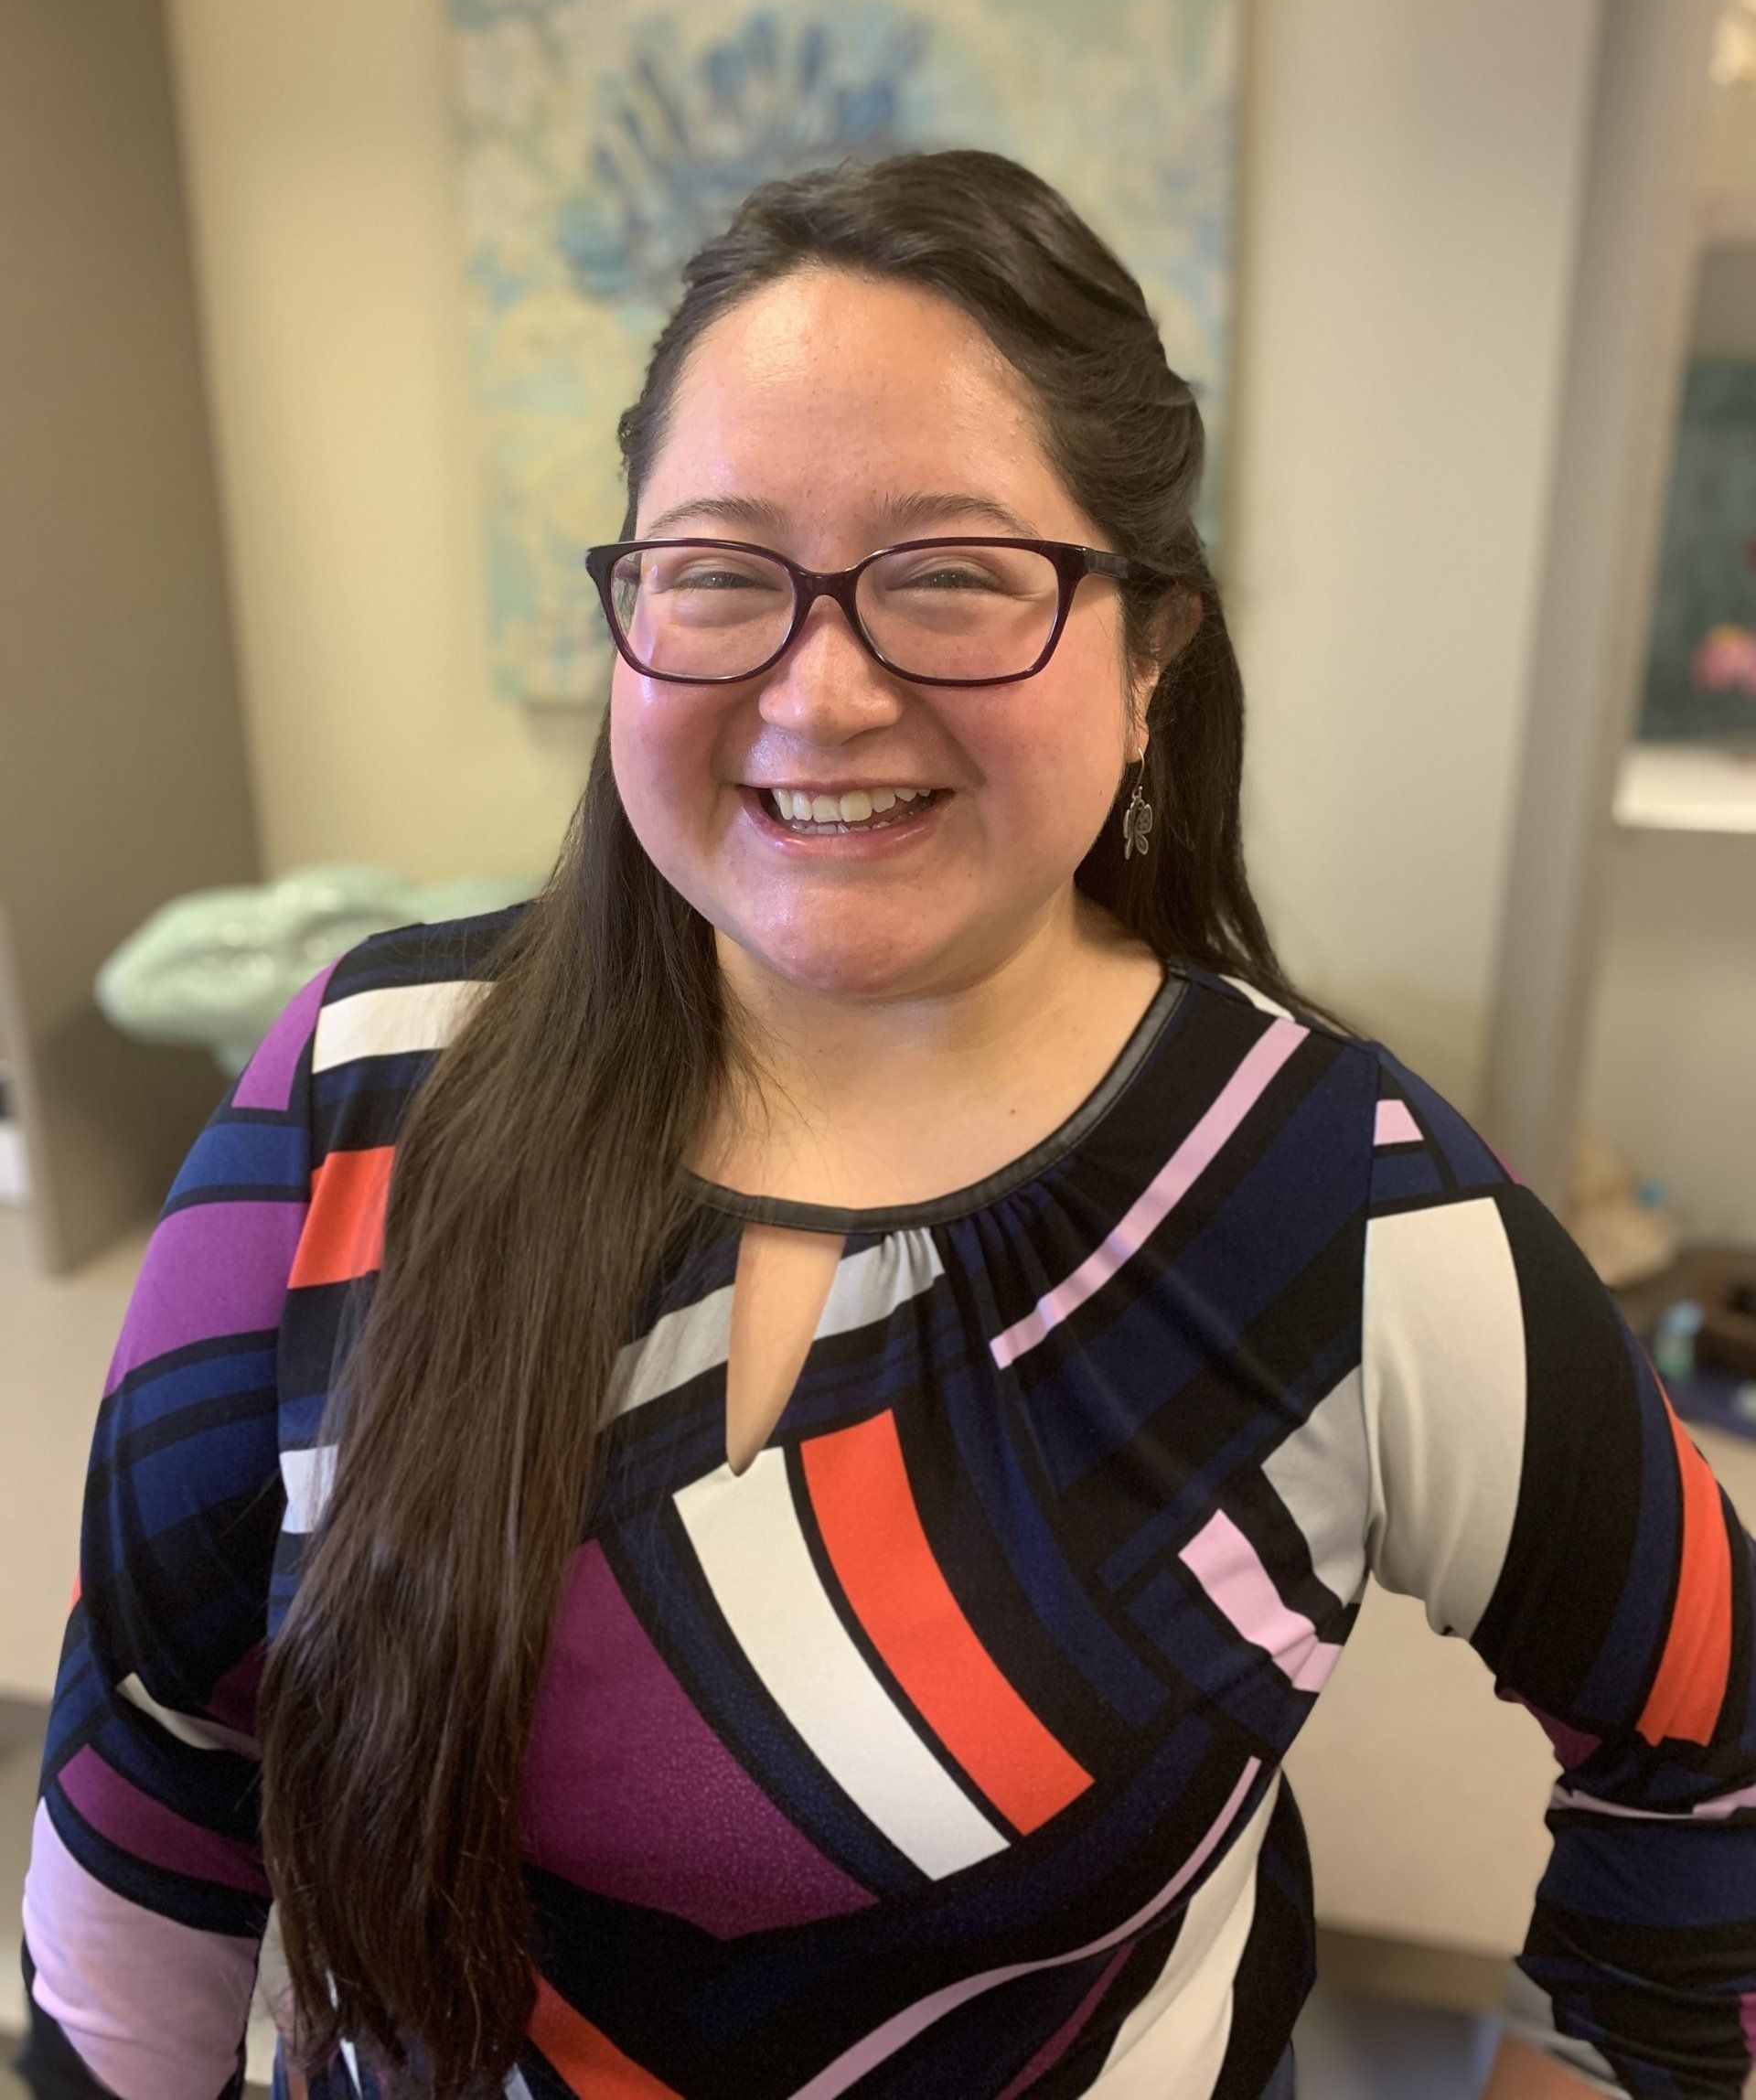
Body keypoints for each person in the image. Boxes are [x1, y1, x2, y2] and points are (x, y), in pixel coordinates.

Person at [14, 148, 1755, 2100]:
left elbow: (1718, 1750)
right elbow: (158, 1757)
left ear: (1150, 648)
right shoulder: (365, 1077)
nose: (819, 689)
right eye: (721, 572)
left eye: (950, 575)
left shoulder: (1331, 1201)